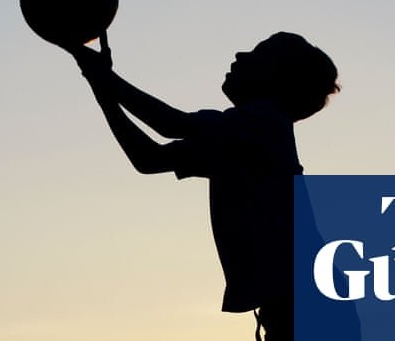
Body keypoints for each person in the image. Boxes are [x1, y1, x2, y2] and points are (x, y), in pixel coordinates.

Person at [68, 31, 352, 340]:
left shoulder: (264, 122)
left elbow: (169, 124)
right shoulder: (239, 140)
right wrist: (100, 83)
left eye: (256, 54)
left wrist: (103, 77)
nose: (240, 55)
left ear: (275, 79)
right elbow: (147, 158)